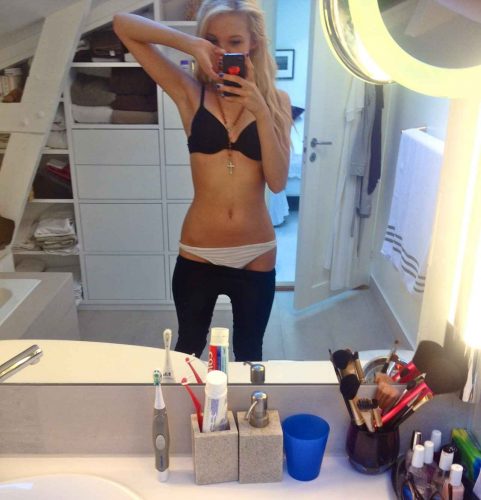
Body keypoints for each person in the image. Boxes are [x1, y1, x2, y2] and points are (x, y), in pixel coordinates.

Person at [113, 0, 291, 361]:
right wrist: (191, 44)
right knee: (188, 350)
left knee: (249, 353)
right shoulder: (189, 93)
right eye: (213, 41)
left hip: (256, 252)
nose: (222, 52)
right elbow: (122, 24)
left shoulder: (276, 102)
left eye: (234, 42)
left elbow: (277, 182)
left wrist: (260, 110)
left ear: (253, 44)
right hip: (199, 251)